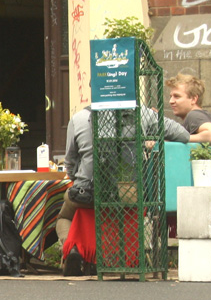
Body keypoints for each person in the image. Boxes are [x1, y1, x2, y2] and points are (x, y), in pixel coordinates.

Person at [57, 105, 192, 276]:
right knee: (124, 203)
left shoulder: (79, 118)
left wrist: (78, 178)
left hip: (87, 194)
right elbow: (183, 135)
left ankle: (73, 249)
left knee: (63, 216)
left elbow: (70, 160)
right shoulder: (143, 114)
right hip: (128, 194)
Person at [165, 74, 211, 145]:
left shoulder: (194, 115)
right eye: (170, 96)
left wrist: (181, 138)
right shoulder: (202, 116)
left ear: (193, 99)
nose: (171, 101)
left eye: (177, 96)